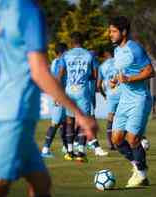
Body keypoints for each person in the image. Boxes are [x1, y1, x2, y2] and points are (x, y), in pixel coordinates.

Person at [0, 1, 96, 197]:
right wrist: (79, 114)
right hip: (16, 113)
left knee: (41, 183)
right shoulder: (29, 12)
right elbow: (40, 71)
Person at [109, 16, 155, 188]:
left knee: (132, 138)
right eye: (110, 31)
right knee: (116, 139)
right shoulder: (117, 51)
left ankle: (142, 175)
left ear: (124, 32)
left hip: (140, 99)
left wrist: (130, 78)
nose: (110, 35)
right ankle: (137, 165)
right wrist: (115, 80)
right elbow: (122, 72)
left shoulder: (135, 48)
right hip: (125, 100)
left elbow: (151, 72)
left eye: (113, 31)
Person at [60, 32, 107, 162]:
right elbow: (94, 74)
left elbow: (61, 74)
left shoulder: (66, 55)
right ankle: (81, 151)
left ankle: (69, 151)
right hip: (83, 91)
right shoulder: (89, 55)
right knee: (83, 121)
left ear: (71, 43)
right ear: (83, 42)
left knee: (70, 120)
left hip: (70, 90)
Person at [41, 43, 68, 158]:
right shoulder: (59, 63)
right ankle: (45, 149)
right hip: (59, 95)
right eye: (66, 51)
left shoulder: (54, 62)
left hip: (60, 94)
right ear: (63, 52)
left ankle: (66, 148)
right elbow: (58, 78)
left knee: (63, 123)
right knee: (55, 123)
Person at [97, 46, 120, 150]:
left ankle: (111, 144)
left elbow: (98, 85)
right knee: (123, 117)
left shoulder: (102, 66)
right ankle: (122, 141)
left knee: (110, 118)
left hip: (111, 94)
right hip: (122, 93)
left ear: (106, 53)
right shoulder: (119, 62)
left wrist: (104, 95)